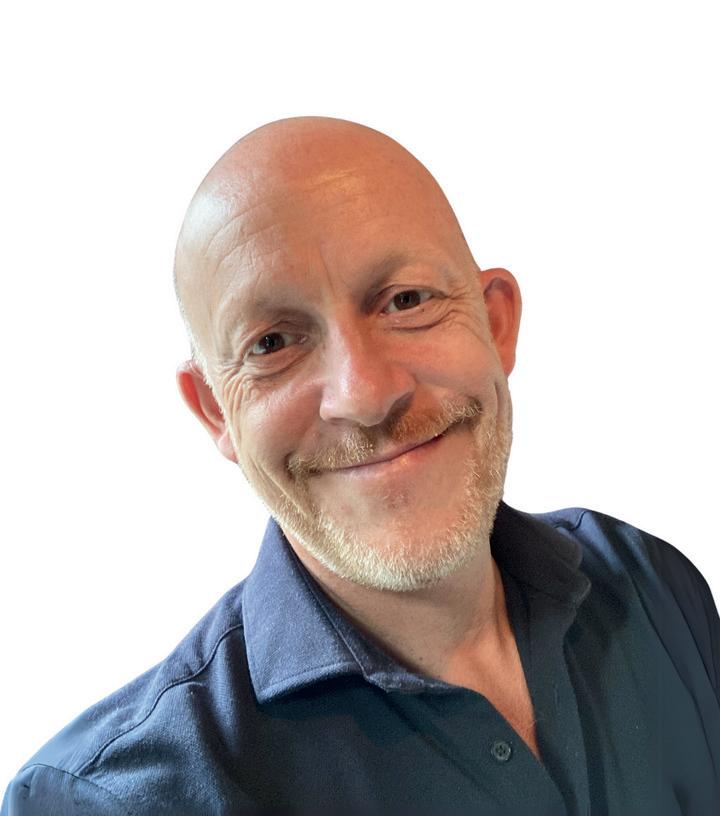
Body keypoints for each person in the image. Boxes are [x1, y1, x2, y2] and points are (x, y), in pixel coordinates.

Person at [2, 117, 719, 816]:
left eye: (406, 301)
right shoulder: (102, 802)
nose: (366, 395)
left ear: (497, 323)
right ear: (217, 412)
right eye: (273, 342)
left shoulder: (655, 586)